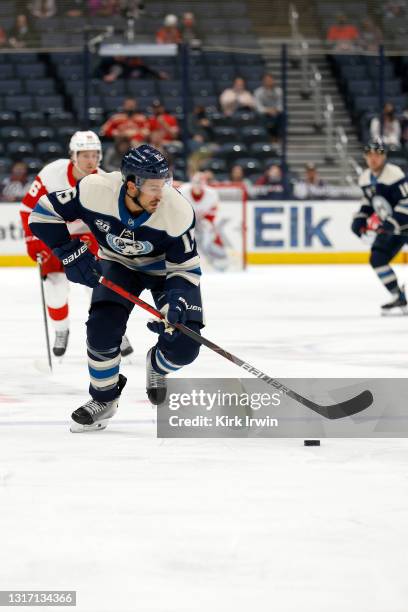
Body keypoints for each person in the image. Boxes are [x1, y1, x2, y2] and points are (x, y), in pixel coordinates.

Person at [28, 145, 204, 432]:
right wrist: (69, 252)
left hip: (165, 272)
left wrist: (177, 302)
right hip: (118, 265)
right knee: (101, 331)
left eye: (164, 184)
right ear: (131, 184)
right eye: (153, 187)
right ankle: (104, 399)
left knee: (185, 346)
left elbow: (184, 268)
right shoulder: (95, 190)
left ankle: (157, 366)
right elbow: (43, 213)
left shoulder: (178, 210)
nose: (161, 194)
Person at [20, 130, 134, 358]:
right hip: (56, 235)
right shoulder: (52, 174)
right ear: (73, 155)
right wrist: (33, 241)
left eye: (95, 155)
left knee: (103, 284)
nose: (91, 161)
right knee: (55, 287)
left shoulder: (104, 181)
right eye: (85, 155)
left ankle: (114, 330)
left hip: (88, 236)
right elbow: (27, 209)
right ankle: (61, 329)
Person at [351, 139, 408, 314]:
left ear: (384, 156)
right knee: (377, 258)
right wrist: (360, 219)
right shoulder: (365, 178)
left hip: (401, 222)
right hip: (393, 227)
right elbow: (369, 201)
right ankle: (398, 297)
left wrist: (392, 222)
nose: (373, 158)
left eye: (377, 155)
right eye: (369, 155)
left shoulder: (394, 174)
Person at [179, 173, 228, 270]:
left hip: (203, 220)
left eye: (200, 182)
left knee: (208, 236)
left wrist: (206, 221)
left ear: (204, 183)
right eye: (196, 182)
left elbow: (213, 211)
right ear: (191, 182)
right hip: (185, 219)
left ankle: (215, 257)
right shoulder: (183, 191)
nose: (197, 185)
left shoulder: (211, 194)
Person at [254, 73, 284, 140]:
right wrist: (268, 110)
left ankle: (278, 137)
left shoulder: (279, 91)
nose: (268, 82)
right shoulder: (258, 92)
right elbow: (258, 107)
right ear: (263, 81)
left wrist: (276, 110)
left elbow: (281, 104)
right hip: (264, 114)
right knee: (261, 116)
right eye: (266, 80)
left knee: (282, 116)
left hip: (276, 113)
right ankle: (264, 137)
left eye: (270, 80)